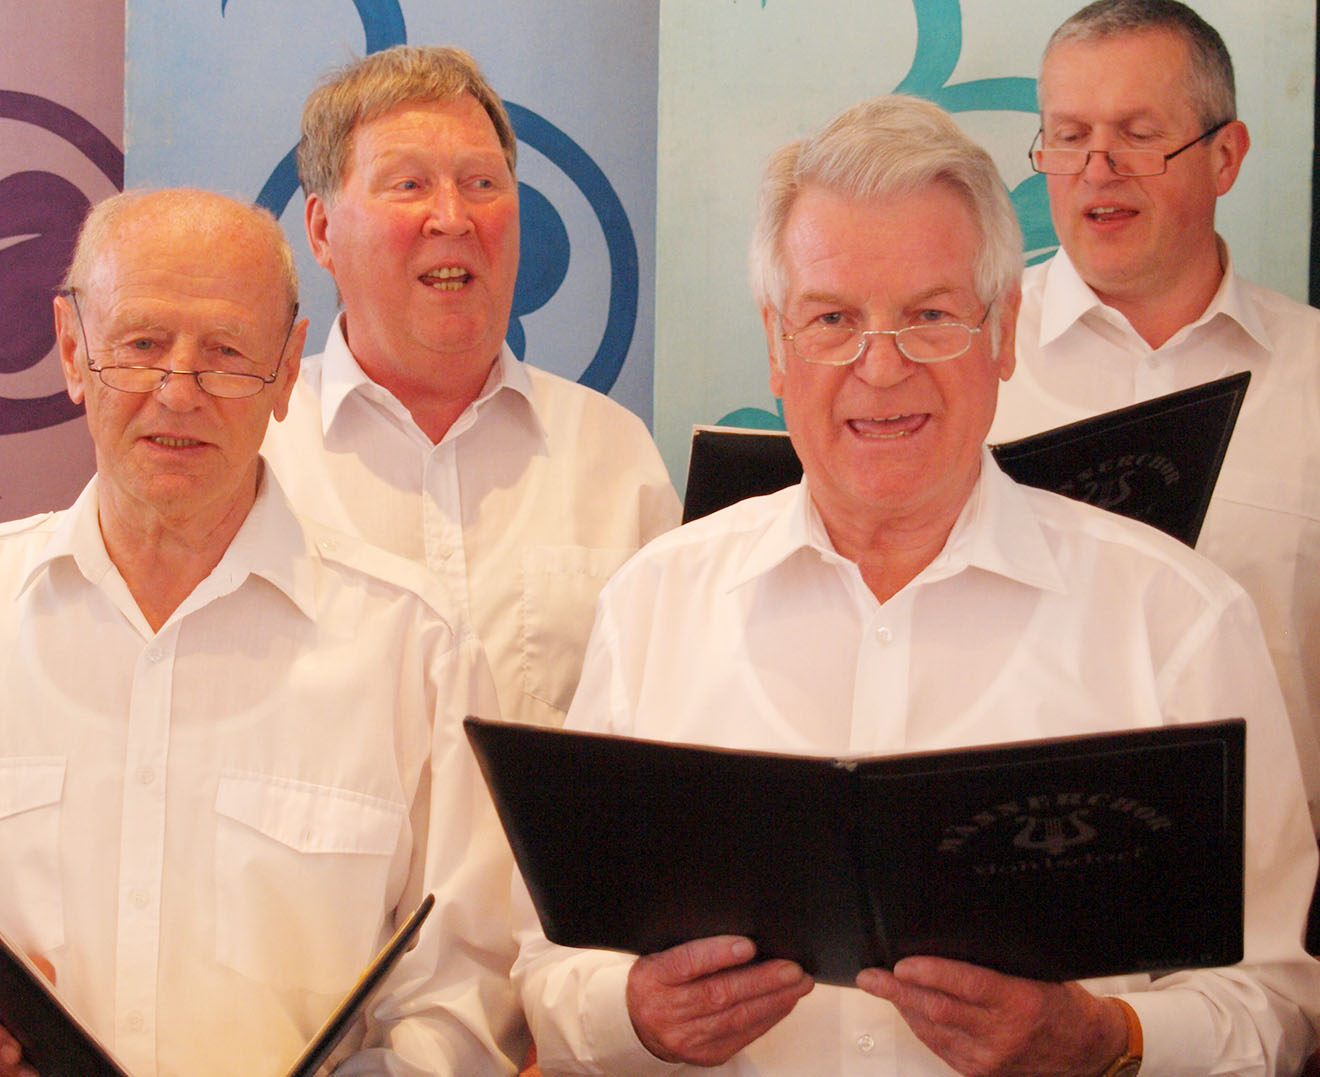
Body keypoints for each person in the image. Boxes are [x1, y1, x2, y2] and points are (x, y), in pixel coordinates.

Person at [512, 95, 1320, 1075]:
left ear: (1004, 332)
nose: (882, 366)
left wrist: (1105, 1041)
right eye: (833, 319)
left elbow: (1279, 1004)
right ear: (775, 344)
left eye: (930, 316)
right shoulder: (654, 605)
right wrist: (633, 1016)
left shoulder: (1176, 617)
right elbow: (551, 964)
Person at [0, 188, 525, 1076]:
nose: (179, 392)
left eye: (227, 353)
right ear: (72, 349)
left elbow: (466, 997)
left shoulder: (416, 652)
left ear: (286, 373)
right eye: (141, 345)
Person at [261, 45, 680, 731]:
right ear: (322, 230)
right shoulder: (255, 453)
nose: (453, 217)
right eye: (409, 185)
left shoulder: (615, 453)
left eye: (482, 183)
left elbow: (667, 728)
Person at [990, 0, 1320, 836]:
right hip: (1011, 851)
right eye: (1069, 137)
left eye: (1138, 135)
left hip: (1273, 871)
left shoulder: (1312, 373)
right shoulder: (962, 356)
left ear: (1225, 155)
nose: (1097, 171)